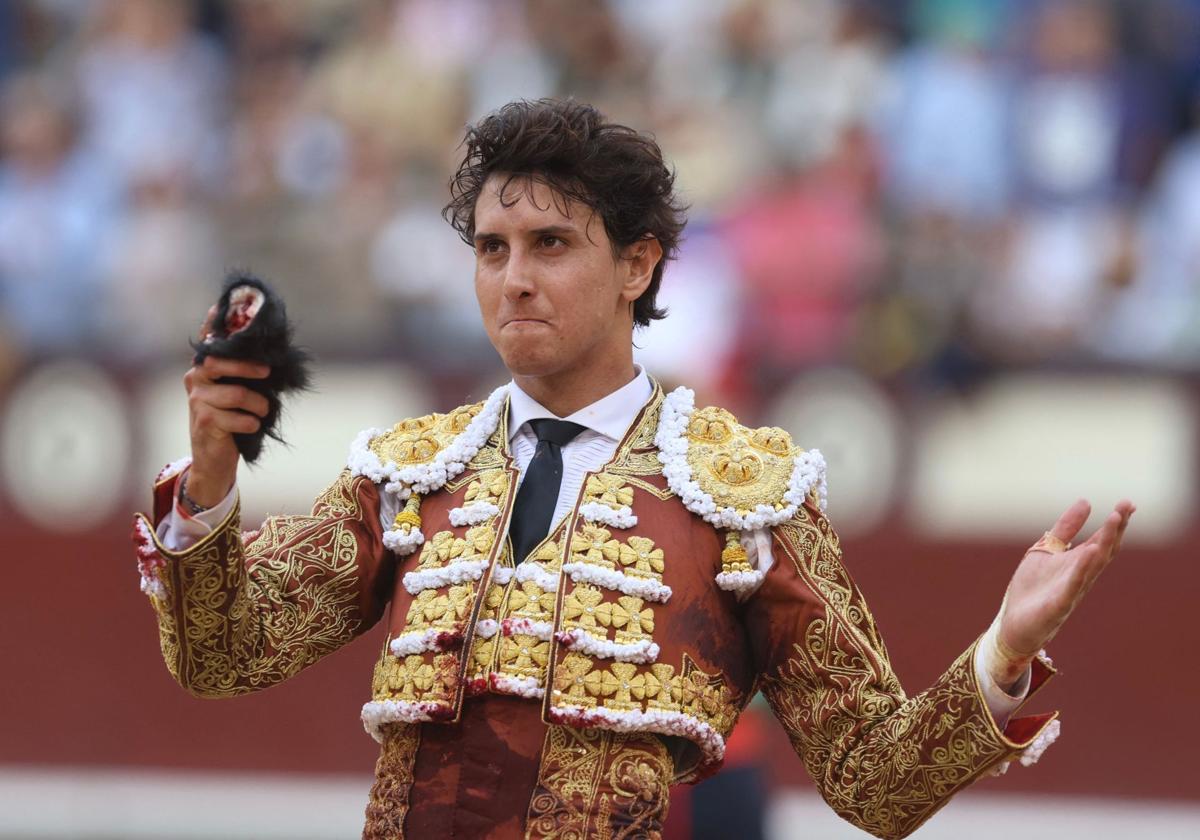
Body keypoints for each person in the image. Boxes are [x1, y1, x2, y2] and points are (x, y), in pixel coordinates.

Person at [132, 99, 1134, 840]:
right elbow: (222, 656)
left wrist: (1003, 650)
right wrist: (213, 485)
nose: (514, 277)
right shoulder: (409, 476)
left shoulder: (740, 495)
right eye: (492, 248)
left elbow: (874, 783)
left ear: (638, 266)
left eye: (551, 244)